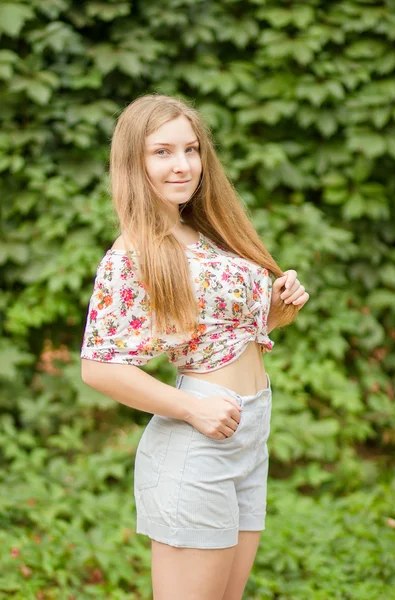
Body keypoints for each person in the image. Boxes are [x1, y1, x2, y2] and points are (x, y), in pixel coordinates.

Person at [80, 93, 309, 600]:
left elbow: (216, 333)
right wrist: (193, 408)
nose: (182, 165)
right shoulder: (132, 254)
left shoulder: (200, 234)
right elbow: (99, 367)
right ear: (134, 162)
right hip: (201, 442)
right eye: (162, 152)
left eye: (190, 149)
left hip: (250, 434)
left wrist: (276, 309)